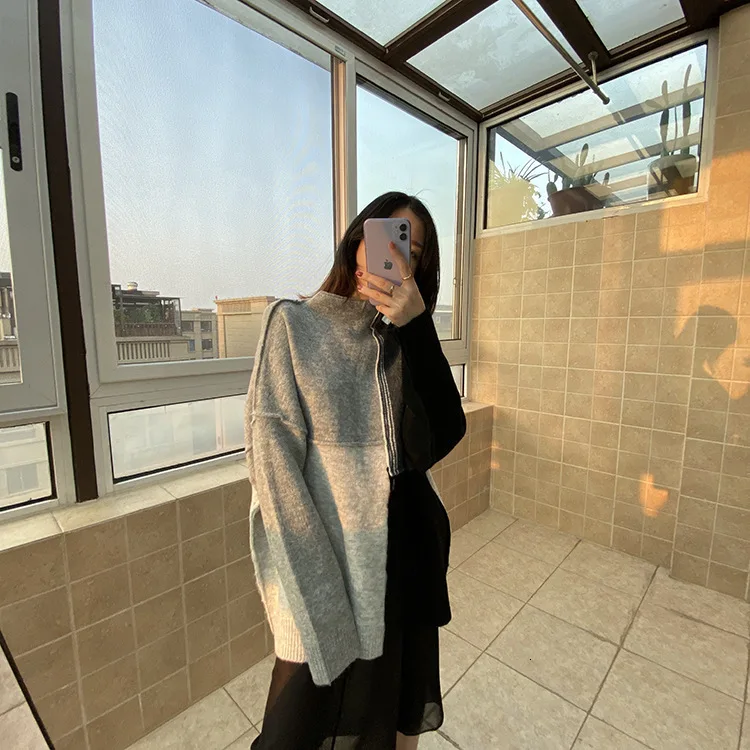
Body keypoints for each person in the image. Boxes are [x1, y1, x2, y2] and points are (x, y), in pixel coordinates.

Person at [245, 191, 466, 749]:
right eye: (390, 237)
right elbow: (274, 470)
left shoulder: (402, 340)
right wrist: (316, 594)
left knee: (396, 721)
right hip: (333, 566)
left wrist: (417, 327)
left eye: (413, 251)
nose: (397, 256)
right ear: (358, 242)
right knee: (295, 728)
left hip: (408, 559)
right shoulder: (293, 325)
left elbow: (443, 434)